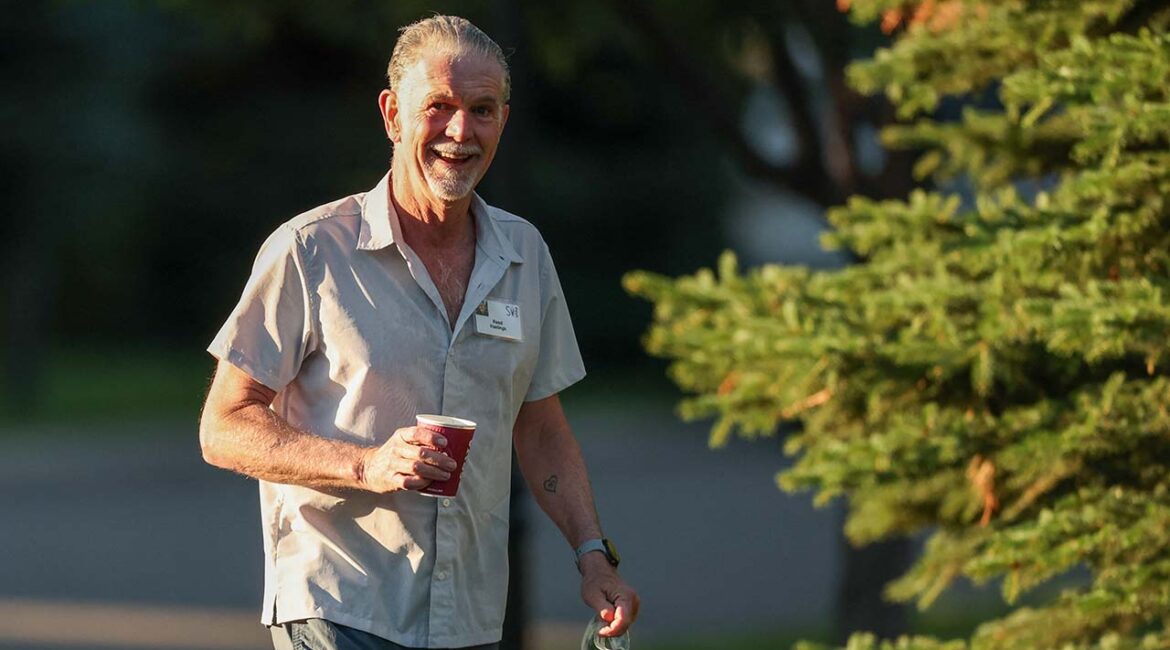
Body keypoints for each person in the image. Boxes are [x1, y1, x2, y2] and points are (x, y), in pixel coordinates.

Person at [198, 14, 639, 650]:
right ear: (393, 115)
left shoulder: (524, 254)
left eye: (482, 110)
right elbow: (224, 425)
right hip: (339, 606)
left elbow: (540, 426)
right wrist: (366, 464)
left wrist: (594, 557)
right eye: (439, 107)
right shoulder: (310, 249)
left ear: (503, 122)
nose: (461, 131)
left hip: (469, 616)